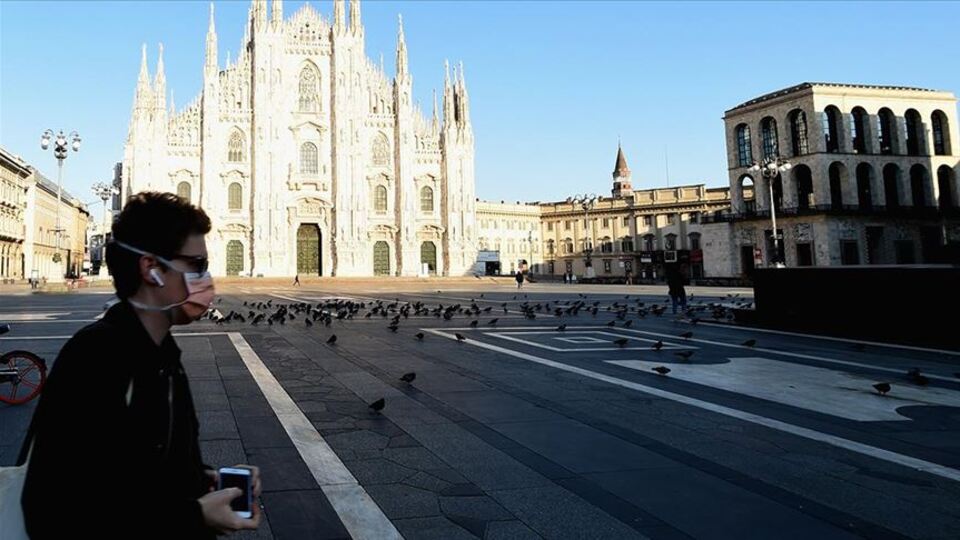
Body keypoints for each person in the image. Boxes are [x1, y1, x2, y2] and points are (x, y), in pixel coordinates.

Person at [20, 192, 261, 539]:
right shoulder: (96, 357)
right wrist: (194, 516)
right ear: (152, 269)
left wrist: (202, 482)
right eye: (197, 265)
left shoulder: (165, 355)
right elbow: (53, 509)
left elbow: (139, 476)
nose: (206, 278)